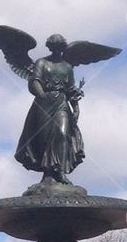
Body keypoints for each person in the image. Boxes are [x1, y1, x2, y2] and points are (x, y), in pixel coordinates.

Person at [15, 34, 85, 182]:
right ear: (50, 47)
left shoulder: (67, 67)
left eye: (60, 47)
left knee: (63, 133)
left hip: (61, 102)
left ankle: (59, 170)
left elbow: (71, 89)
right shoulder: (41, 62)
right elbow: (35, 80)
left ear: (63, 47)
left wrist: (76, 108)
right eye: (54, 47)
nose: (57, 50)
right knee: (44, 137)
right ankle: (48, 174)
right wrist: (42, 95)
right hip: (44, 103)